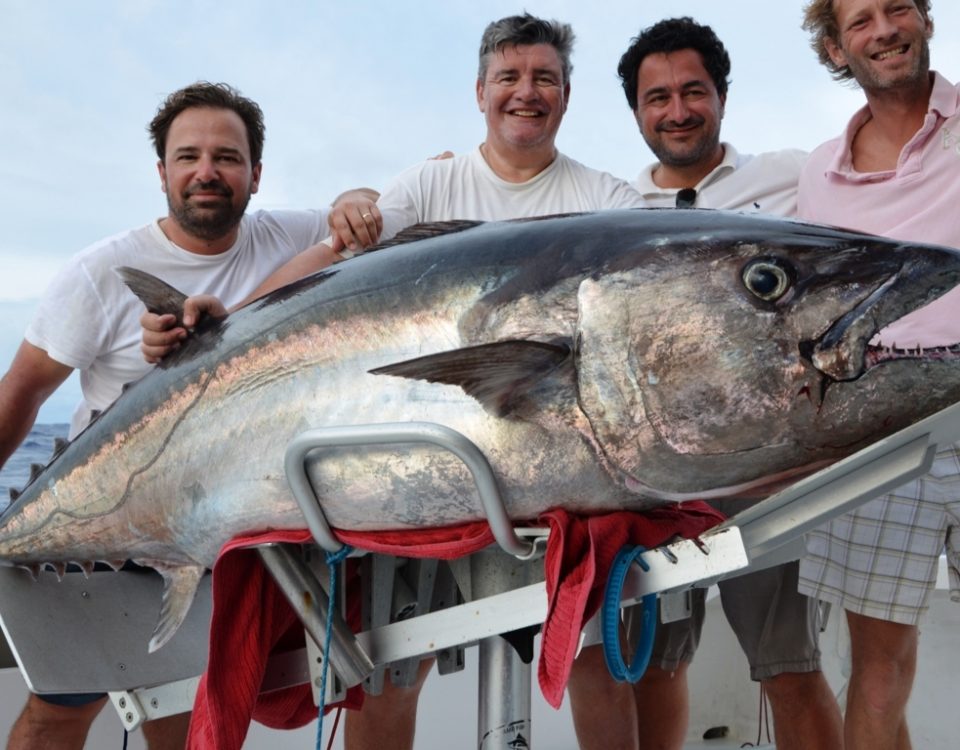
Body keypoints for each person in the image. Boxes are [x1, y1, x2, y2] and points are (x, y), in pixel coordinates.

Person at [141, 14, 646, 750]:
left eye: (544, 78)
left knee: (596, 664)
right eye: (509, 77)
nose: (525, 92)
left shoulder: (612, 206)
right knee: (385, 676)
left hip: (559, 489)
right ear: (480, 92)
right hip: (419, 478)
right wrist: (228, 324)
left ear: (566, 95)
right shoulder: (429, 183)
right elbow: (332, 268)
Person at [0, 81, 365, 750]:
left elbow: (360, 216)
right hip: (105, 534)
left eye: (227, 157)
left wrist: (357, 200)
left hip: (223, 535)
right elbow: (19, 395)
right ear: (161, 172)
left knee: (186, 716)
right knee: (61, 711)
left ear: (256, 174)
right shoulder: (98, 274)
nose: (207, 171)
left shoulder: (289, 234)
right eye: (188, 156)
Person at [594, 18, 844, 750]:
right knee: (657, 666)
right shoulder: (613, 210)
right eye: (657, 97)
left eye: (693, 91)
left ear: (723, 97)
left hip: (766, 471)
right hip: (649, 483)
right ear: (637, 112)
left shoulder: (797, 175)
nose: (677, 111)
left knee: (789, 668)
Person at [796, 2, 960, 749]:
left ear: (926, 21)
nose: (884, 30)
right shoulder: (816, 174)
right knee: (880, 673)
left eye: (899, 8)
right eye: (861, 20)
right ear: (835, 45)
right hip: (877, 431)